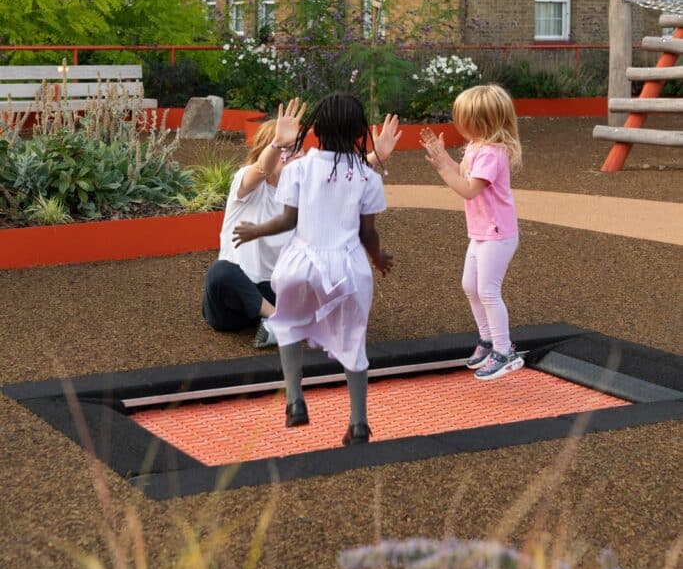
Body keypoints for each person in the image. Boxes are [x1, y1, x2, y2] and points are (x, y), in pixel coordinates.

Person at [233, 92, 392, 446]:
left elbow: (288, 220)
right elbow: (368, 232)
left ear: (316, 128)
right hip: (348, 268)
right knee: (354, 342)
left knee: (287, 325)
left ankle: (295, 401)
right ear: (357, 131)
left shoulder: (300, 169)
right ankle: (359, 424)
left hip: (301, 263)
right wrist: (378, 257)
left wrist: (256, 229)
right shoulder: (367, 176)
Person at [202, 98, 401, 349]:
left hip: (274, 292)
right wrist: (277, 143)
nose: (301, 156)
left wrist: (376, 157)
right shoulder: (247, 183)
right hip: (231, 305)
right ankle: (283, 320)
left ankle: (276, 321)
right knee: (220, 272)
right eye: (293, 150)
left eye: (300, 150)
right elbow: (261, 169)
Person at [420, 83, 524, 382]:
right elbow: (464, 174)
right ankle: (489, 340)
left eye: (463, 118)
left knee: (488, 291)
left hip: (498, 233)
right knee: (470, 285)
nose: (458, 123)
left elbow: (468, 189)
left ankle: (505, 352)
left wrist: (442, 168)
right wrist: (445, 160)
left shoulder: (492, 153)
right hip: (481, 232)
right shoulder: (478, 147)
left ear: (481, 122)